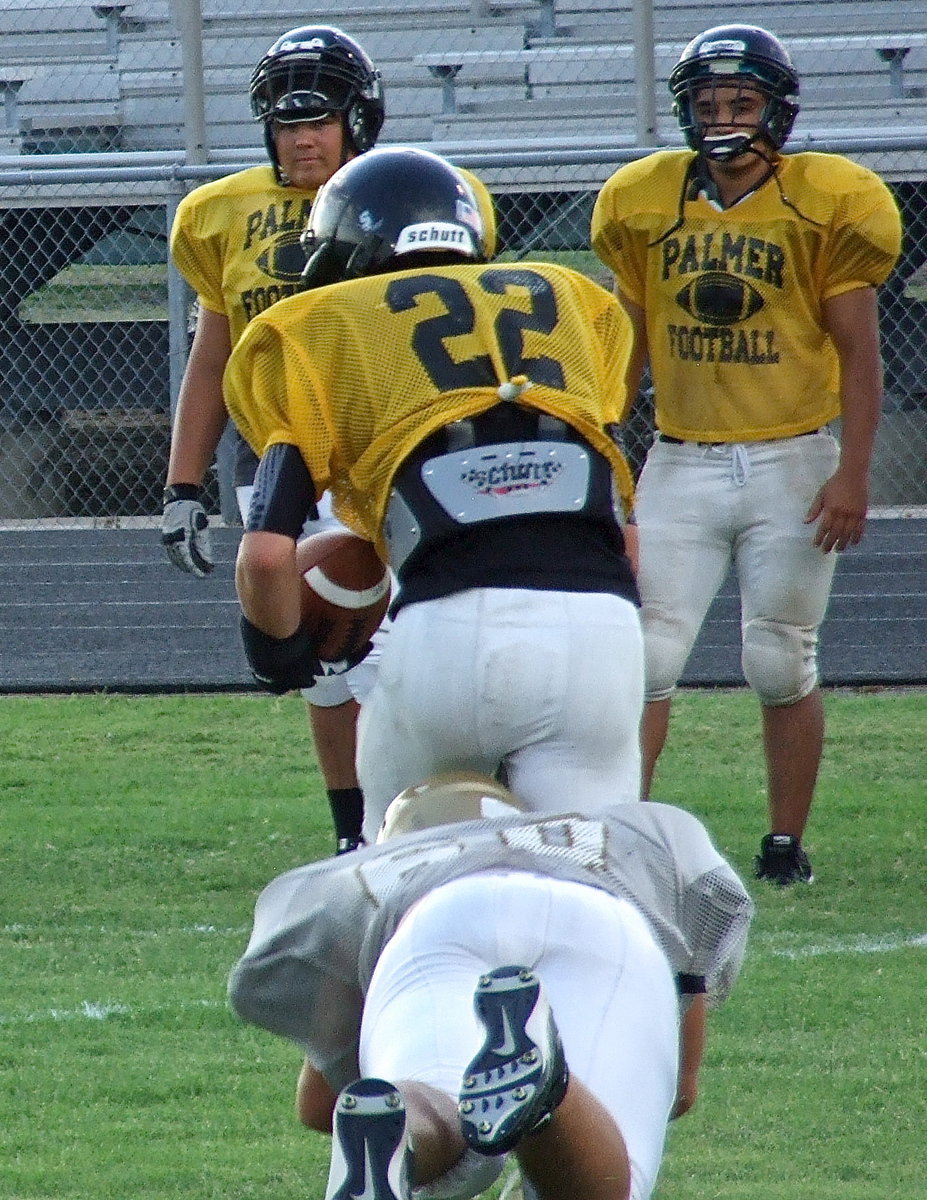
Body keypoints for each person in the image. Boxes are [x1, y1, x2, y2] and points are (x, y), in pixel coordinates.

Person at [223, 145, 644, 842]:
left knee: (405, 868)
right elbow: (627, 537)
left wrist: (277, 651)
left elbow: (267, 557)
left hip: (449, 630)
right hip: (600, 632)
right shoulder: (569, 301)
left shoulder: (325, 324)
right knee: (585, 872)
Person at [160, 26, 497, 853]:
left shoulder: (424, 191)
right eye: (286, 121)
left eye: (318, 119)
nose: (301, 138)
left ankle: (434, 813)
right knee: (327, 660)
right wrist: (182, 483)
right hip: (281, 452)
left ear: (358, 120)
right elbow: (213, 352)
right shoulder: (218, 214)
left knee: (414, 645)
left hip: (394, 447)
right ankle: (355, 834)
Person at [590, 24, 902, 885]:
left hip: (790, 462)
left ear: (777, 111)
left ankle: (783, 844)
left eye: (740, 102)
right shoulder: (644, 200)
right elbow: (627, 345)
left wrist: (851, 472)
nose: (722, 117)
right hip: (680, 459)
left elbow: (859, 355)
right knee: (647, 657)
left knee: (777, 659)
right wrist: (603, 443)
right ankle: (621, 836)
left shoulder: (826, 200)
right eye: (707, 103)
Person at [228, 773, 754, 1200]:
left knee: (431, 1097)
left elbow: (321, 1105)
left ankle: (404, 1135)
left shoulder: (388, 877)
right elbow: (680, 1092)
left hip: (435, 920)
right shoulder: (607, 837)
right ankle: (548, 1088)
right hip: (596, 913)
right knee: (609, 1187)